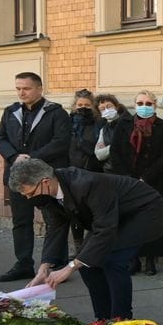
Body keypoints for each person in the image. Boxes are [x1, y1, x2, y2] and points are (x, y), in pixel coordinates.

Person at [8, 158, 163, 321]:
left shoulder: (86, 184)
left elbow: (105, 230)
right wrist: (44, 267)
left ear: (45, 182)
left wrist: (69, 267)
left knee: (112, 260)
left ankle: (121, 320)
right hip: (111, 216)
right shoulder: (50, 192)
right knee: (87, 265)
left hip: (143, 211)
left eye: (30, 193)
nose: (29, 199)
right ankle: (102, 319)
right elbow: (56, 227)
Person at [0, 72, 71, 282]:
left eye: (26, 88)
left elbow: (61, 142)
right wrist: (14, 156)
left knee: (55, 220)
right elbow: (0, 137)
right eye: (18, 88)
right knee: (21, 222)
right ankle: (23, 264)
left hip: (47, 178)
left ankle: (57, 265)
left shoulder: (56, 113)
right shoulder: (11, 111)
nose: (21, 92)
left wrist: (32, 158)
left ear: (39, 89)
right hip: (18, 178)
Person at [110, 90, 163, 275]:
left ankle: (151, 259)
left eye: (148, 103)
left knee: (153, 219)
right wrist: (129, 179)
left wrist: (145, 178)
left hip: (155, 180)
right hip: (127, 182)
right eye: (140, 103)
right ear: (134, 105)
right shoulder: (123, 125)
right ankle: (133, 259)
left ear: (155, 105)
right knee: (130, 220)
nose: (144, 107)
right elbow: (116, 153)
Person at [68, 90, 104, 259]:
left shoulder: (99, 123)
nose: (83, 108)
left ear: (93, 107)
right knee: (75, 212)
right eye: (80, 105)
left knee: (93, 211)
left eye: (87, 105)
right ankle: (77, 247)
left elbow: (96, 149)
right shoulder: (68, 123)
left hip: (93, 172)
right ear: (74, 106)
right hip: (72, 172)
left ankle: (92, 248)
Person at [92, 93, 130, 173]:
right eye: (102, 109)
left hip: (127, 170)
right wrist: (114, 146)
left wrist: (107, 148)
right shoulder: (104, 130)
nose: (106, 110)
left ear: (116, 107)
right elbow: (99, 154)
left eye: (109, 106)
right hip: (110, 171)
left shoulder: (129, 123)